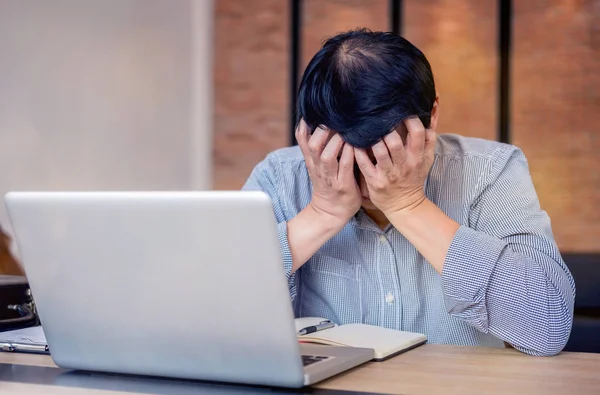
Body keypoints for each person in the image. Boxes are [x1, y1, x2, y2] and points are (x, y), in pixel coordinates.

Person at [242, 29, 575, 356]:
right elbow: (208, 319)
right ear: (308, 135)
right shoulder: (279, 178)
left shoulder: (489, 171)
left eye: (384, 153)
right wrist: (322, 215)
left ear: (430, 117)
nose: (371, 177)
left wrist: (409, 205)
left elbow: (548, 327)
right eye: (340, 156)